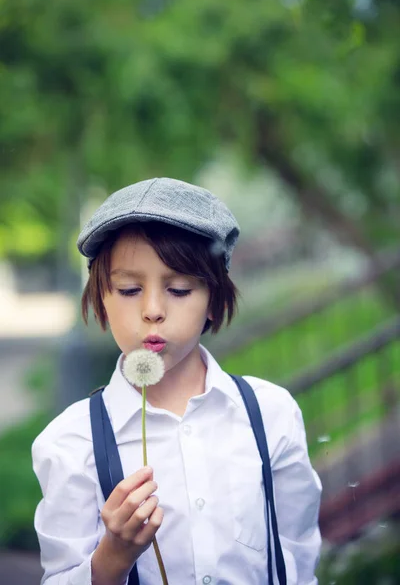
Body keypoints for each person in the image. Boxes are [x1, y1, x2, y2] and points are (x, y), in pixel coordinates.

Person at [32, 177, 322, 585]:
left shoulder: (271, 416)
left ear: (214, 300)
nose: (152, 310)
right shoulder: (69, 443)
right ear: (101, 299)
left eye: (180, 289)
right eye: (130, 289)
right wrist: (113, 557)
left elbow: (298, 558)